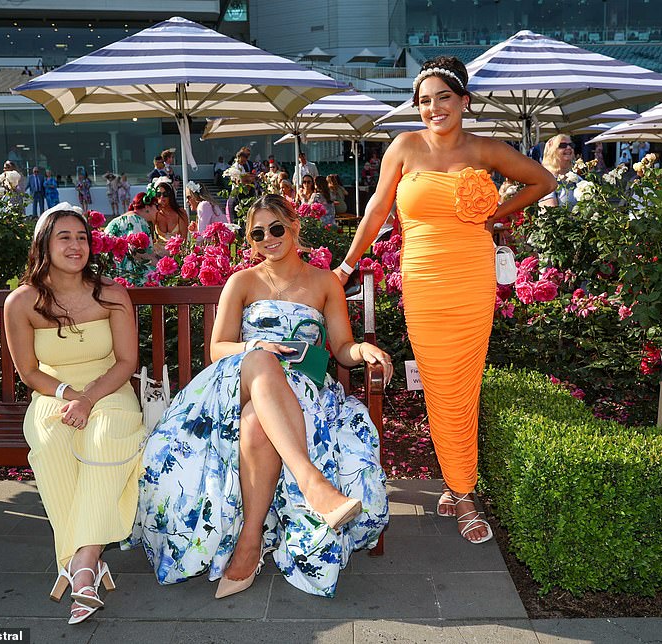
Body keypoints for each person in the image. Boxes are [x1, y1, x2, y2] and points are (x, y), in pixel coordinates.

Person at [333, 55, 555, 544]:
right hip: (425, 282)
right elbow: (376, 210)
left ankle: (462, 490)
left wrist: (495, 213)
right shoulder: (405, 147)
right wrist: (347, 265)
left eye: (444, 98)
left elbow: (544, 181)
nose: (433, 108)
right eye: (424, 101)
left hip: (473, 281)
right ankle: (460, 485)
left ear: (464, 102)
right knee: (438, 381)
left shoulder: (485, 149)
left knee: (465, 382)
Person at [126, 194, 390, 597]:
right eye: (258, 233)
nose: (268, 238)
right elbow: (218, 349)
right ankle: (312, 483)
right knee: (262, 362)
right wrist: (258, 348)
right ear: (249, 240)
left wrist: (362, 350)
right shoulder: (242, 282)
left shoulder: (324, 283)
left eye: (277, 228)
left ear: (295, 226)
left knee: (256, 425)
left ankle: (249, 544)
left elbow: (340, 348)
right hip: (237, 382)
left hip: (299, 389)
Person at [2, 204, 147, 625]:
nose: (76, 244)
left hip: (110, 389)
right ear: (43, 244)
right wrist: (69, 394)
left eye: (82, 237)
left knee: (105, 438)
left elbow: (125, 362)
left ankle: (81, 563)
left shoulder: (112, 294)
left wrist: (89, 398)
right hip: (53, 393)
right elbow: (29, 372)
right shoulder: (22, 302)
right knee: (51, 444)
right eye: (64, 236)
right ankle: (86, 561)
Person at [105, 191, 156, 277]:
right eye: (156, 206)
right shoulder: (136, 220)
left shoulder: (118, 219)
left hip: (112, 272)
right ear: (147, 207)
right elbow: (136, 252)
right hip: (127, 273)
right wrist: (159, 264)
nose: (158, 210)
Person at [537, 135, 577, 209]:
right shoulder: (547, 180)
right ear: (552, 151)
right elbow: (550, 214)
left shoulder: (577, 178)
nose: (568, 148)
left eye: (571, 145)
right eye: (562, 145)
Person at [151, 178, 188, 249]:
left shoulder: (180, 213)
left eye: (165, 194)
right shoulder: (155, 213)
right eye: (158, 194)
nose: (162, 197)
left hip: (176, 252)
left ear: (171, 195)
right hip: (157, 253)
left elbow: (184, 239)